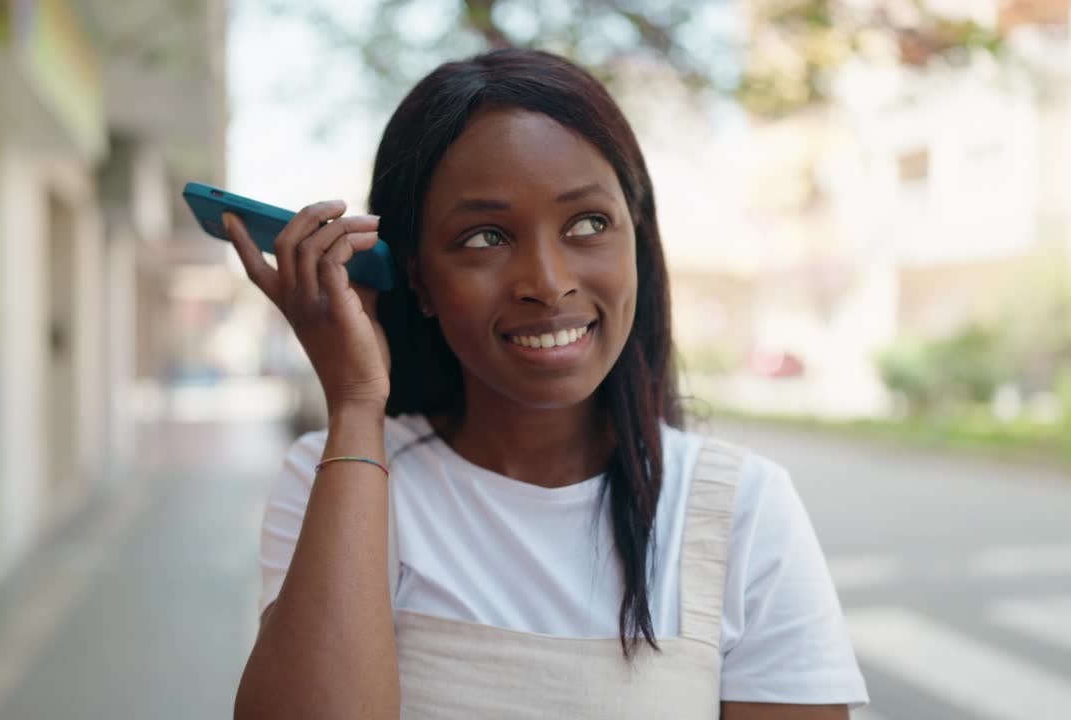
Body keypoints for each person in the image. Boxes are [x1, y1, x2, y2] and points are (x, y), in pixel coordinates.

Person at [228, 48, 869, 719]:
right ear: (414, 276)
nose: (548, 281)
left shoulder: (739, 508)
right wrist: (356, 404)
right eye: (485, 237)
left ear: (637, 241)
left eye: (588, 224)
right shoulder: (338, 478)